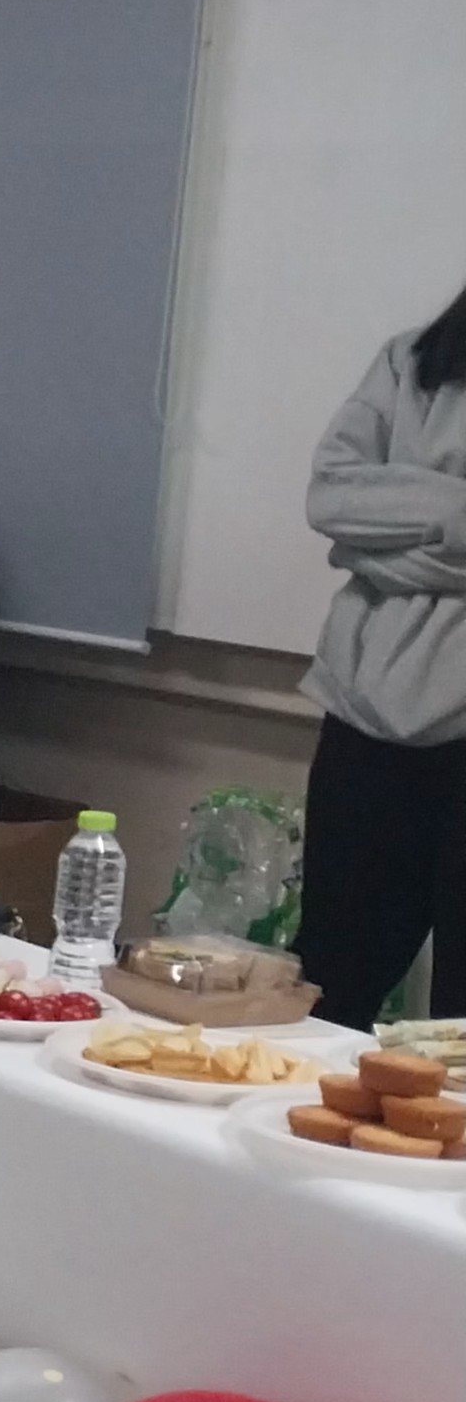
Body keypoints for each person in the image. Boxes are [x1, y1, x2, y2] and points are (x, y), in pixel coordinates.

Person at [292, 268, 466, 1026]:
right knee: (328, 985)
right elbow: (331, 495)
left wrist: (398, 527)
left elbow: (358, 514)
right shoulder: (413, 362)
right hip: (366, 717)